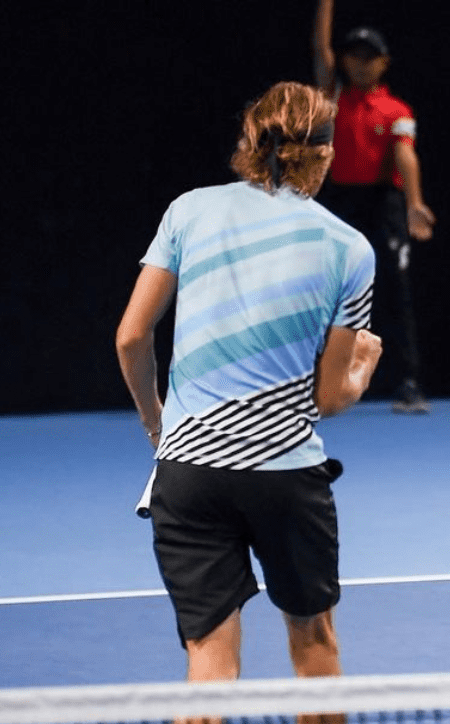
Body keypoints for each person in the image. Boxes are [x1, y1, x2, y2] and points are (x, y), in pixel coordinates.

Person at [115, 81, 381, 704]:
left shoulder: (188, 210)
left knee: (208, 670)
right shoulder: (350, 249)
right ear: (324, 153)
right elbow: (329, 398)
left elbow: (131, 338)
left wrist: (159, 426)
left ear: (250, 139)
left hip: (187, 475)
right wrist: (363, 369)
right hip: (283, 478)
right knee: (315, 647)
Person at [311, 0, 434, 413]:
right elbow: (319, 51)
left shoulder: (396, 110)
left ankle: (410, 382)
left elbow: (404, 155)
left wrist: (414, 203)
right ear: (344, 61)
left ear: (384, 63)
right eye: (353, 57)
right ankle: (320, 382)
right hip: (340, 203)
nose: (360, 64)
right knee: (331, 293)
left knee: (397, 293)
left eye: (369, 58)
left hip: (384, 204)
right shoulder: (331, 97)